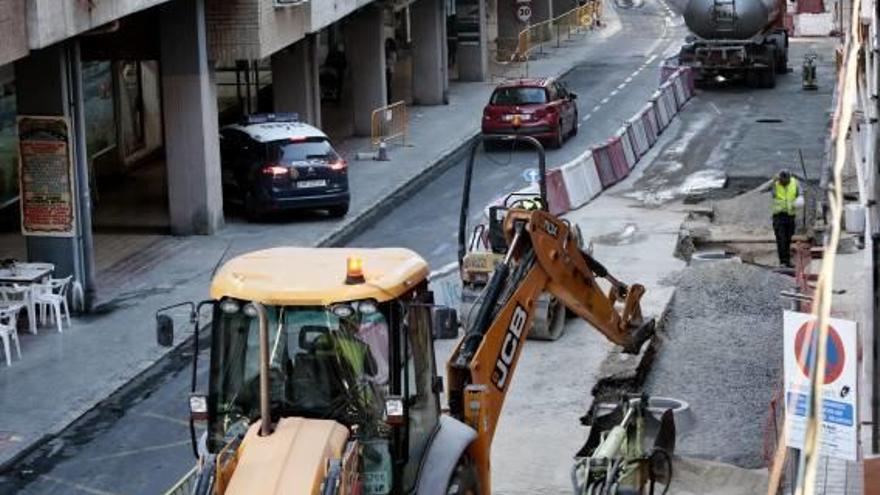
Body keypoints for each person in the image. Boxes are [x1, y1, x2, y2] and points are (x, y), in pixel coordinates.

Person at [769, 169, 800, 267]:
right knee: (781, 239)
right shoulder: (775, 184)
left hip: (790, 216)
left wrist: (800, 199)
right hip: (779, 216)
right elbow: (764, 190)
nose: (785, 182)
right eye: (783, 180)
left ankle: (787, 261)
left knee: (788, 240)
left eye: (787, 180)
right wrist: (773, 180)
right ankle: (783, 261)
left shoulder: (794, 183)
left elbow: (800, 193)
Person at [385, 38, 398, 104]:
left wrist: (386, 62)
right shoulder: (387, 51)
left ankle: (389, 100)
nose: (386, 45)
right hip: (388, 70)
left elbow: (393, 61)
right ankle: (388, 99)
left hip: (389, 70)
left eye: (388, 43)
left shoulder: (392, 52)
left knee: (388, 86)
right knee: (388, 86)